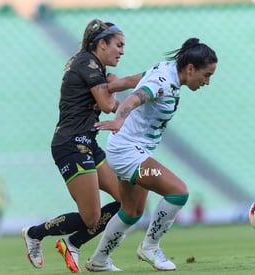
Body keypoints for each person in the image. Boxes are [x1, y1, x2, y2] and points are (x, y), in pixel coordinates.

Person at [85, 37, 218, 271]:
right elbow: (138, 97)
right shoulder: (164, 82)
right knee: (178, 192)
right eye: (206, 75)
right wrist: (118, 119)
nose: (207, 82)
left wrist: (113, 86)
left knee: (132, 211)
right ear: (190, 68)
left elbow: (137, 80)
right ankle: (150, 247)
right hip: (128, 151)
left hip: (130, 149)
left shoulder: (165, 70)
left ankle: (98, 260)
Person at [22, 18, 142, 273]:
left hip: (88, 142)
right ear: (101, 44)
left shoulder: (93, 67)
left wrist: (110, 85)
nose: (122, 51)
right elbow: (109, 106)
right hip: (70, 144)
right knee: (91, 217)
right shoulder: (86, 63)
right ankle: (35, 233)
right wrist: (121, 82)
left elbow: (106, 103)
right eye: (118, 45)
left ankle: (72, 243)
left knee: (126, 202)